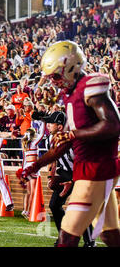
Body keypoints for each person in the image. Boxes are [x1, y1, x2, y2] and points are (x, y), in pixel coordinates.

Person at [21, 40, 119, 247]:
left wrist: (74, 134)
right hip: (91, 168)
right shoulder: (70, 95)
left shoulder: (91, 86)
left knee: (66, 238)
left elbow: (113, 125)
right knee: (111, 236)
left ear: (73, 67)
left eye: (56, 75)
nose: (54, 82)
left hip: (95, 168)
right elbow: (64, 142)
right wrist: (36, 165)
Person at [42, 111, 95, 247]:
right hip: (65, 173)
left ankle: (90, 242)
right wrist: (50, 176)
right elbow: (53, 160)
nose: (47, 125)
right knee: (54, 205)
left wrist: (73, 181)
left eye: (50, 123)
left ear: (60, 126)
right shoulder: (50, 139)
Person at [20, 121, 45, 220]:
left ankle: (25, 210)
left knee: (28, 192)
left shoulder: (25, 145)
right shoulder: (34, 143)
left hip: (26, 167)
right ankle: (30, 211)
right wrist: (43, 121)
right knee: (34, 192)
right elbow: (42, 133)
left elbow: (24, 160)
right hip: (33, 167)